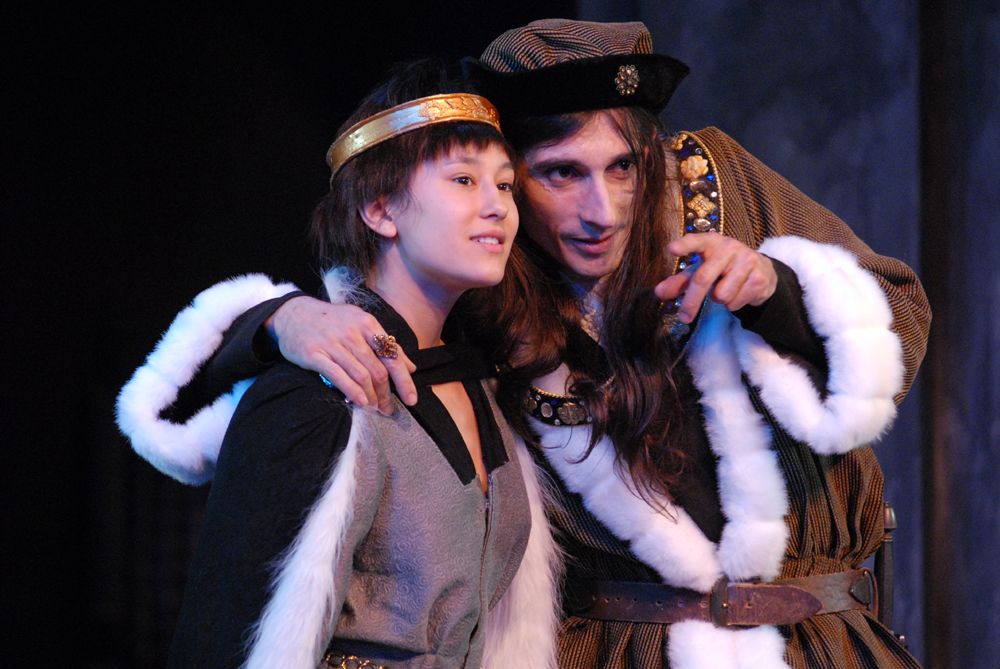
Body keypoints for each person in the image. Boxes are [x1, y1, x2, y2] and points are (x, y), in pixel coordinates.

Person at [118, 19, 930, 669]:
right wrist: (277, 319)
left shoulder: (717, 185)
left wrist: (776, 291)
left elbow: (899, 319)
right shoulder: (487, 281)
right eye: (558, 173)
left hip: (818, 640)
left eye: (623, 168)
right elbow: (351, 316)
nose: (602, 211)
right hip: (615, 649)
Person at [125, 59, 561, 669]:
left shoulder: (484, 383)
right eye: (464, 180)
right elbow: (226, 632)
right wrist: (276, 318)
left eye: (506, 185)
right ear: (380, 210)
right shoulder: (321, 395)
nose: (497, 207)